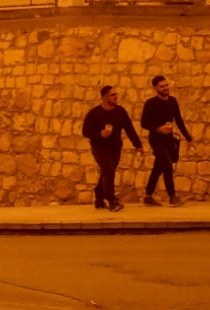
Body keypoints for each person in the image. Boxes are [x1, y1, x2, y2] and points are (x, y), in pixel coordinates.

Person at [82, 85, 143, 213]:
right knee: (109, 170)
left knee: (106, 172)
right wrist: (100, 134)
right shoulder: (94, 113)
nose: (116, 97)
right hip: (99, 147)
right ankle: (112, 201)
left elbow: (129, 129)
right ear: (104, 97)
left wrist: (138, 145)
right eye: (113, 95)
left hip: (115, 148)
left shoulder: (120, 111)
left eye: (116, 94)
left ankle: (99, 198)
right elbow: (85, 131)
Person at [140, 75, 193, 207]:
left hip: (169, 140)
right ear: (155, 88)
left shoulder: (172, 101)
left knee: (158, 168)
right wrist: (159, 129)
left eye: (166, 85)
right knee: (168, 165)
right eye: (162, 86)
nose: (165, 88)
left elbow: (179, 120)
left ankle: (147, 196)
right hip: (156, 140)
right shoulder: (150, 103)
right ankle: (172, 196)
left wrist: (188, 138)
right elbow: (144, 123)